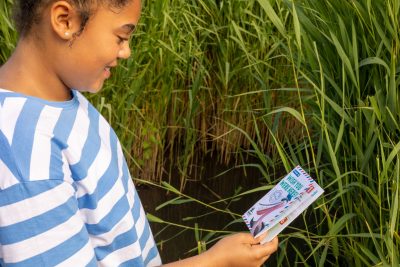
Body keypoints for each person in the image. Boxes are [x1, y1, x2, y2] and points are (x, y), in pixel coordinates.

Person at [0, 0, 279, 266]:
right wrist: (214, 262)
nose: (126, 52)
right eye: (121, 37)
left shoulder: (61, 96)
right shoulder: (27, 157)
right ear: (65, 20)